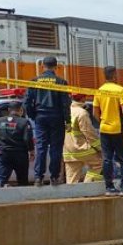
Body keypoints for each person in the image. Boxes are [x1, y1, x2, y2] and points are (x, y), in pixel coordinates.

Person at [23, 55, 71, 186]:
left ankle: (38, 177)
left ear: (42, 66)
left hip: (41, 117)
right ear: (56, 67)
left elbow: (27, 102)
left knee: (41, 147)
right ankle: (54, 177)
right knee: (56, 148)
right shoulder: (61, 82)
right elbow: (65, 104)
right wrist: (68, 121)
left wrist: (34, 116)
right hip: (57, 118)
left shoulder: (34, 81)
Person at [93, 66, 123, 196]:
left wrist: (103, 121)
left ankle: (109, 187)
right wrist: (120, 118)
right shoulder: (120, 90)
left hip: (104, 128)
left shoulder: (99, 91)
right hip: (118, 129)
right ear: (114, 75)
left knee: (107, 158)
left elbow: (95, 112)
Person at [63, 93, 102, 183]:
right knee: (98, 164)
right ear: (83, 98)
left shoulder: (66, 111)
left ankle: (73, 195)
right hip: (82, 148)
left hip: (68, 151)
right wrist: (99, 148)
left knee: (72, 178)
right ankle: (88, 186)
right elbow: (89, 133)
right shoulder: (82, 113)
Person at [0, 102, 33, 187]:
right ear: (20, 110)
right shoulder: (24, 122)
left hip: (3, 153)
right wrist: (31, 151)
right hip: (20, 154)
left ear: (8, 110)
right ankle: (23, 199)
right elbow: (27, 139)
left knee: (2, 179)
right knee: (22, 180)